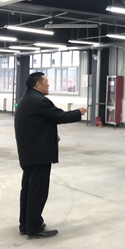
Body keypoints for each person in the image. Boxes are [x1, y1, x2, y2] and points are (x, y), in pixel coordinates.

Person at [15, 72, 87, 238]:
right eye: (46, 81)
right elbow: (59, 116)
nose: (48, 84)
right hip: (38, 154)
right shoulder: (40, 101)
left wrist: (50, 134)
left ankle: (25, 224)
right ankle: (34, 228)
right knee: (38, 192)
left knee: (28, 189)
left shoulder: (26, 99)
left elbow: (35, 124)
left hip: (28, 153)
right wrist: (78, 112)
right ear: (37, 85)